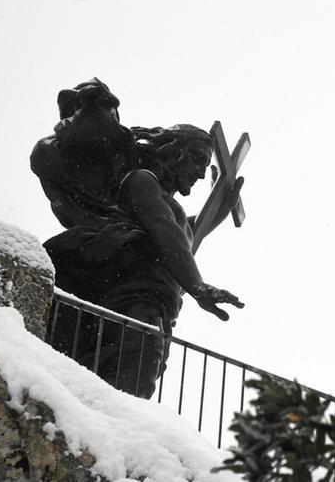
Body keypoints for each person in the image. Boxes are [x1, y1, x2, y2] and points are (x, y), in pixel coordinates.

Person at [33, 79, 244, 397]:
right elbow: (164, 230)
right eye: (198, 158)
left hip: (155, 303)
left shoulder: (163, 206)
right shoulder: (141, 181)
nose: (202, 172)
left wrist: (219, 208)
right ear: (174, 150)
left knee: (133, 379)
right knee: (128, 378)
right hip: (132, 299)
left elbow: (184, 238)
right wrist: (196, 286)